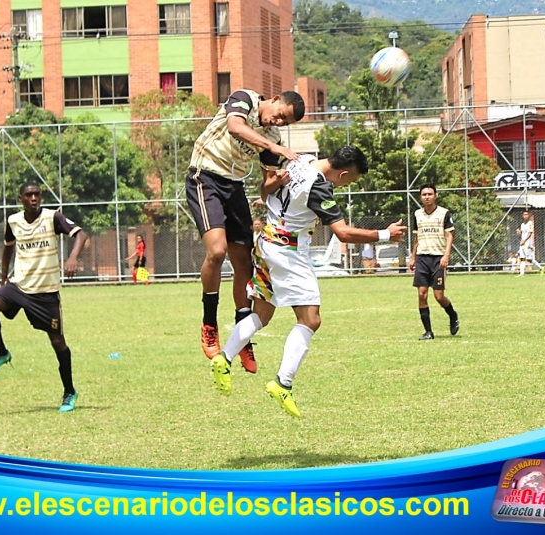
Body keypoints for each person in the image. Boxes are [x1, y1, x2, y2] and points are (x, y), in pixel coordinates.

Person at [209, 146, 407, 417]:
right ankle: (283, 383)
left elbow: (265, 187)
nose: (347, 184)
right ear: (345, 172)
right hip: (289, 252)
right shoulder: (321, 186)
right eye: (351, 180)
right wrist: (385, 234)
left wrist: (267, 199)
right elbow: (343, 233)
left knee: (262, 314)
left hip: (266, 242)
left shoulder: (299, 159)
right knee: (311, 319)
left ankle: (224, 358)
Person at [186, 88, 305, 374]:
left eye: (284, 124)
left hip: (234, 187)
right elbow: (235, 126)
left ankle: (242, 336)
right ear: (275, 100)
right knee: (217, 251)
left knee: (245, 265)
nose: (278, 124)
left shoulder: (271, 140)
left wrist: (278, 180)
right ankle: (209, 323)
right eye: (280, 116)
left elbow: (265, 189)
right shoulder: (246, 98)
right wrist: (274, 148)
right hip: (205, 177)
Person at [0, 182, 87, 412]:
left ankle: (69, 392)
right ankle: (1, 353)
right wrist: (3, 278)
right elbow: (8, 247)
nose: (33, 198)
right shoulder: (13, 221)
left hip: (46, 293)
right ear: (21, 198)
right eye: (29, 195)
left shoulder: (52, 218)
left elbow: (80, 235)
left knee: (57, 342)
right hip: (19, 286)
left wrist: (73, 258)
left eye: (37, 194)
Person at [409, 184, 459, 340]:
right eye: (424, 194)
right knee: (422, 295)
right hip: (422, 258)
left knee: (438, 296)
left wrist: (446, 255)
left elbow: (450, 235)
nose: (427, 196)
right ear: (420, 197)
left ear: (435, 195)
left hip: (438, 258)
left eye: (430, 194)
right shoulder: (417, 214)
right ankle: (428, 332)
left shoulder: (444, 213)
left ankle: (452, 314)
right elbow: (417, 237)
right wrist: (413, 257)